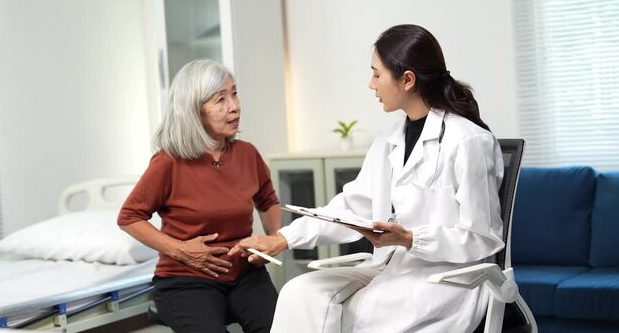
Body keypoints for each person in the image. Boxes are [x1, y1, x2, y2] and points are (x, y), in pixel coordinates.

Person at [229, 24, 505, 332]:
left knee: (360, 314)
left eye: (377, 74)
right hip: (391, 267)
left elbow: (483, 237)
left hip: (447, 278)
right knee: (298, 293)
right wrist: (283, 239)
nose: (371, 84)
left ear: (408, 80)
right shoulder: (388, 142)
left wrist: (411, 238)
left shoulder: (467, 141)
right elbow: (350, 205)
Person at [117, 59, 281, 333]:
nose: (234, 106)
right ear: (194, 110)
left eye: (234, 93)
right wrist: (180, 250)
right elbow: (129, 217)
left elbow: (267, 201)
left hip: (245, 276)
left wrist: (273, 239)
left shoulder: (247, 153)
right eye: (220, 99)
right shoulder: (169, 161)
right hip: (185, 280)